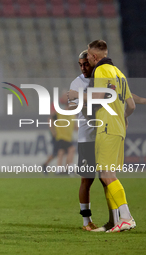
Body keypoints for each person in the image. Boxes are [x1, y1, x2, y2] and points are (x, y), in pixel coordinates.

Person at [68, 40, 136, 232]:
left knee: (106, 175)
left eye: (87, 58)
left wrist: (78, 97)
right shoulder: (119, 73)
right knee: (98, 177)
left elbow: (97, 98)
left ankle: (126, 218)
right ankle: (112, 221)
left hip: (105, 128)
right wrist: (122, 118)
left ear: (94, 57)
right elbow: (131, 105)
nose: (85, 62)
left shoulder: (101, 71)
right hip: (111, 130)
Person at [68, 50, 98, 231]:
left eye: (85, 64)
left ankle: (117, 217)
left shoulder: (102, 79)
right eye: (80, 64)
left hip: (105, 137)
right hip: (87, 138)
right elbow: (71, 104)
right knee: (87, 180)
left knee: (107, 179)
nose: (83, 67)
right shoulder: (77, 82)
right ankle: (86, 221)